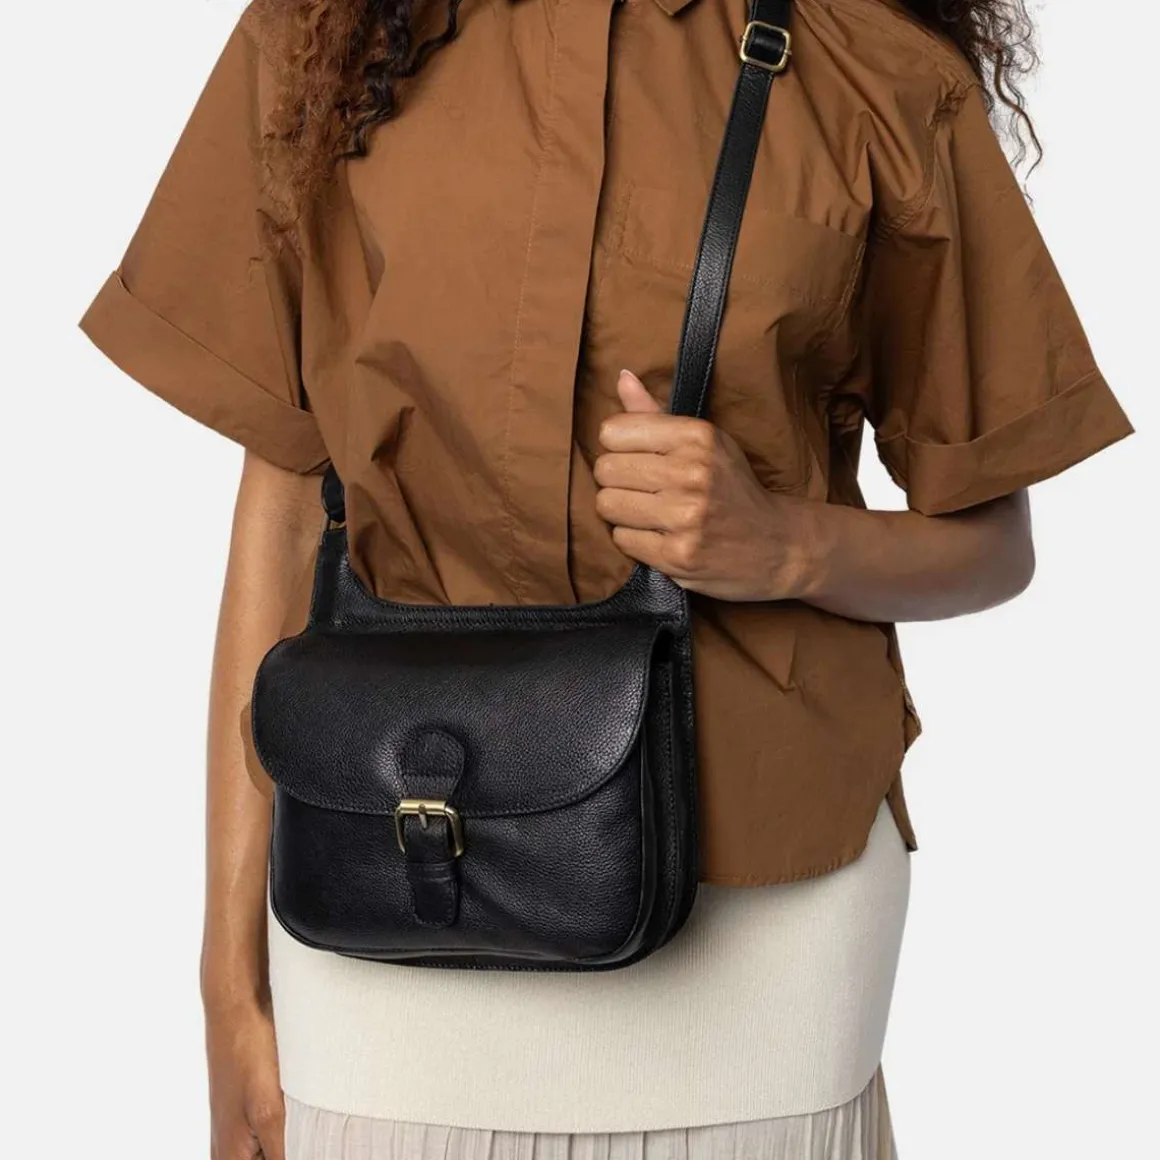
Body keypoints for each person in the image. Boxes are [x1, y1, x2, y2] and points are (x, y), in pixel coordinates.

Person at [79, 0, 1133, 1156]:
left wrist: (783, 542)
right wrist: (228, 989)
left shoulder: (865, 61)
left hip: (763, 910)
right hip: (385, 889)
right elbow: (286, 506)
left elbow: (991, 540)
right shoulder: (324, 34)